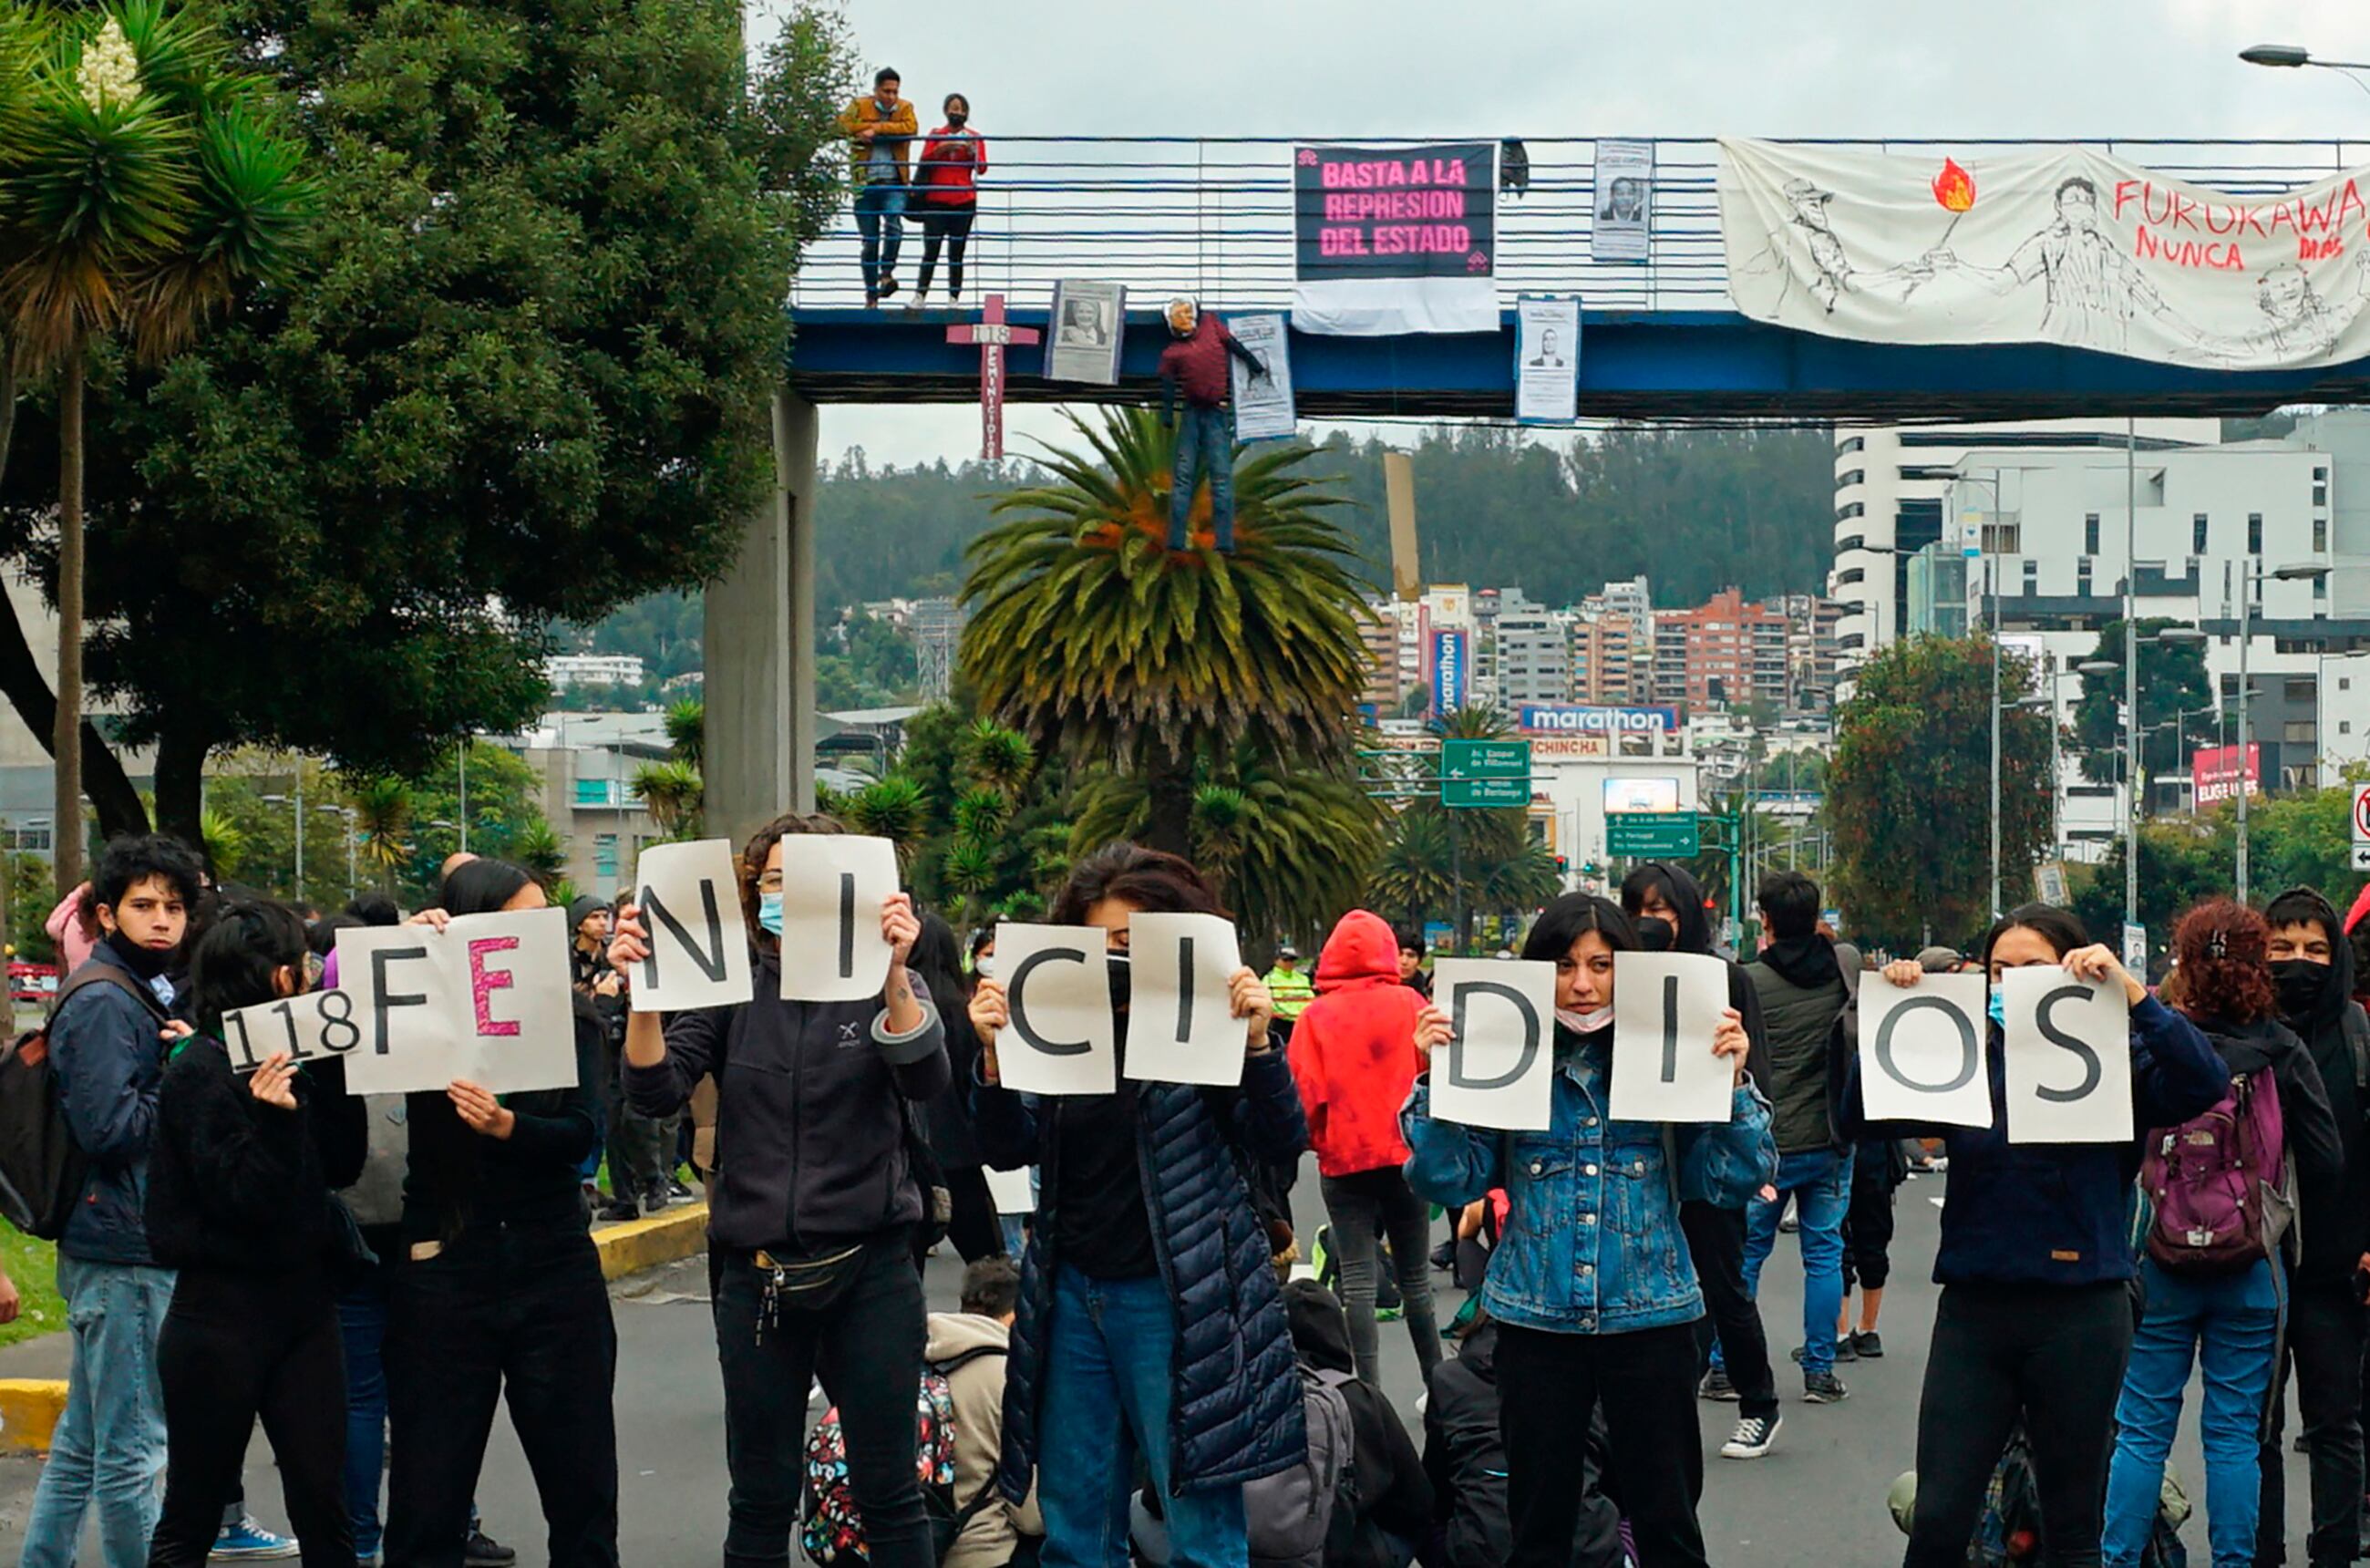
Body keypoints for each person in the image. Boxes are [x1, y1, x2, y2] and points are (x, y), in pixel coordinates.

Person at [1854, 903, 2231, 1568]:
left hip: (2081, 1311)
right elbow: (1861, 1116)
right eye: (1999, 971)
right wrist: (1893, 1012)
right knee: (1939, 1518)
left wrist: (2134, 995)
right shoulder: (1968, 1055)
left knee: (2073, 1525)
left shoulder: (2115, 1058)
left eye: (2032, 968)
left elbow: (2203, 1082)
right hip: (1975, 1308)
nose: (2012, 984)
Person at [616, 810, 946, 1568]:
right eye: (771, 882)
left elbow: (926, 1076)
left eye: (807, 883)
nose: (786, 897)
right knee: (760, 1495)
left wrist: (893, 972)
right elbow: (655, 1091)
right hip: (756, 1275)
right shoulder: (729, 988)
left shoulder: (886, 981)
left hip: (872, 1270)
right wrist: (644, 997)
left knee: (890, 1491)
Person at [1405, 892, 1774, 1568]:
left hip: (1653, 1316)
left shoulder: (1671, 1053)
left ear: (1628, 972)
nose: (1582, 984)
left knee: (1668, 1527)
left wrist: (1733, 1084)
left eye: (1602, 966)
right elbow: (1448, 1180)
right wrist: (1435, 1083)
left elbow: (1731, 1180)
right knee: (1539, 1530)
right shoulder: (1506, 1057)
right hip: (1535, 1321)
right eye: (1564, 965)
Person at [967, 842, 1305, 1568]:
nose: (1117, 959)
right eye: (1101, 943)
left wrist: (1258, 1047)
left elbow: (1280, 1139)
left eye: (1131, 941)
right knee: (1075, 1531)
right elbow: (1006, 1147)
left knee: (1202, 1534)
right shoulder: (1055, 1021)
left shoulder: (1207, 1020)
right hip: (1070, 1293)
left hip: (1182, 1301)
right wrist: (992, 1060)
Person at [381, 859, 618, 1568]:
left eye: (545, 919)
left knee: (581, 1488)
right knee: (429, 1493)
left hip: (554, 1261)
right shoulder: (420, 1007)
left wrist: (509, 1127)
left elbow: (582, 1134)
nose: (536, 935)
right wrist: (407, 947)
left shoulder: (571, 1015)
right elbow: (348, 1040)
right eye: (519, 920)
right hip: (445, 1259)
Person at [2103, 899, 2341, 1568]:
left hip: (2159, 1258)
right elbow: (2326, 1159)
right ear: (2259, 964)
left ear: (2182, 961)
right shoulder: (2280, 1048)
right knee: (2236, 1435)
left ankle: (2119, 1558)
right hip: (2251, 1265)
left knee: (2141, 1430)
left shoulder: (2153, 1040)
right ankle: (2236, 1560)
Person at [143, 897, 368, 1567]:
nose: (310, 975)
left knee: (324, 1504)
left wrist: (334, 1071)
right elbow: (244, 1200)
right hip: (218, 1318)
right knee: (193, 1510)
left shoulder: (303, 1057)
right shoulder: (199, 1071)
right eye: (301, 963)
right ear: (275, 977)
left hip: (304, 1311)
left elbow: (342, 1165)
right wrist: (275, 1120)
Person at [18, 835, 203, 1568]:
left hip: (116, 1241)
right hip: (124, 1248)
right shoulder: (103, 999)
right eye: (143, 905)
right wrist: (183, 1076)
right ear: (105, 913)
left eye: (174, 907)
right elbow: (110, 1128)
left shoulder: (138, 986)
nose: (161, 920)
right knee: (133, 1454)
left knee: (84, 1446)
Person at [1621, 862, 1781, 1458]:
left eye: (1660, 910)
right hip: (1639, 1156)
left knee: (1722, 1285)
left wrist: (1756, 1153)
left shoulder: (1722, 977)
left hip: (1708, 1153)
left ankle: (1759, 1404)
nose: (1648, 921)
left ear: (1686, 914)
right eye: (1636, 910)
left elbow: (1754, 1066)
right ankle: (1666, 1405)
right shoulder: (1616, 977)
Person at [2255, 886, 2370, 1568]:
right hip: (2253, 1265)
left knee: (2335, 1423)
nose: (2298, 961)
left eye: (2315, 949)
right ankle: (2259, 1551)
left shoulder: (2359, 1037)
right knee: (2256, 1429)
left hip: (2337, 1268)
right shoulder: (2241, 1029)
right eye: (2282, 947)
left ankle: (2335, 1550)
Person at [1288, 909, 1443, 1387]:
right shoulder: (1411, 1002)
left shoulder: (1314, 1016)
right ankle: (1439, 1387)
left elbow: (1303, 1096)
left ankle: (1369, 1394)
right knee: (1416, 1283)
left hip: (1344, 1161)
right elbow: (1431, 1075)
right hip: (1406, 1158)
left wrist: (1322, 1142)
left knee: (1356, 1282)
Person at [1736, 869, 1859, 1404]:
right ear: (1816, 917)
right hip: (1830, 1141)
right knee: (1825, 1254)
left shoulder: (1748, 982)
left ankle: (1725, 1367)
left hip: (1762, 1145)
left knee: (1746, 1258)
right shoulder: (1844, 973)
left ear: (1765, 920)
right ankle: (1819, 1370)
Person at [1421, 1307, 1623, 1568]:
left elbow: (1435, 1489)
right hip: (1585, 1547)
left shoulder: (1450, 1378)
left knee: (1428, 1520)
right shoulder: (1590, 1371)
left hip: (1481, 1547)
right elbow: (1620, 1483)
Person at [1281, 1280, 1432, 1568]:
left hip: (1269, 1550)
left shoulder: (1258, 1394)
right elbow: (1416, 1499)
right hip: (1352, 1551)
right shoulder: (1361, 1398)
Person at [930, 1257, 1042, 1568]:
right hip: (979, 1551)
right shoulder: (1007, 1376)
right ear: (1016, 1317)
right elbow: (1030, 1515)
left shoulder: (910, 1357)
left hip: (902, 1544)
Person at [912, 910, 1004, 1263]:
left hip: (910, 1154)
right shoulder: (966, 1012)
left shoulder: (900, 1010)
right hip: (960, 1152)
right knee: (989, 1260)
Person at [1157, 297, 1267, 553]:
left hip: (1210, 412)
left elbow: (1233, 345)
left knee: (1210, 476)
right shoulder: (1176, 350)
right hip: (1199, 411)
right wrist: (1167, 412)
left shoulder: (1207, 326)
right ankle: (1180, 540)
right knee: (1200, 477)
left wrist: (1252, 362)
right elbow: (1168, 386)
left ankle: (1222, 541)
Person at [839, 67, 918, 306]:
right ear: (876, 90)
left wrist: (877, 129)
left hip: (894, 182)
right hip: (865, 184)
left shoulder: (905, 108)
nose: (891, 96)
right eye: (886, 91)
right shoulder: (859, 105)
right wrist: (861, 133)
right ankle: (871, 293)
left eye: (895, 92)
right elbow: (841, 126)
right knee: (870, 241)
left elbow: (910, 128)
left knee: (894, 223)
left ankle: (886, 273)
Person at [912, 94, 985, 305]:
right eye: (953, 108)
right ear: (946, 111)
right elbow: (924, 160)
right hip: (936, 199)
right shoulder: (936, 134)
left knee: (957, 251)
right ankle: (920, 296)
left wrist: (972, 152)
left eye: (961, 109)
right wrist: (942, 148)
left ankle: (954, 298)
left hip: (964, 200)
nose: (957, 113)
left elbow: (982, 168)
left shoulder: (974, 136)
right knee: (931, 249)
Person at [44, 882, 99, 975]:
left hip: (75, 980)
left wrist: (79, 892)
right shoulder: (110, 925)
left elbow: (50, 926)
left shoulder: (70, 920)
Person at [1263, 944, 1314, 1036]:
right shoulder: (1269, 980)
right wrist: (1295, 1015)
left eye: (1292, 960)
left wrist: (1303, 1016)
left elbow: (1310, 999)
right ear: (1276, 961)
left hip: (1303, 1023)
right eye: (1285, 960)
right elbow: (1275, 1005)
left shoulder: (1302, 978)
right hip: (1282, 1024)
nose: (1289, 963)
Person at [1393, 925, 1431, 1000]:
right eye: (1399, 954)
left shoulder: (1427, 993)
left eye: (1411, 956)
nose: (1404, 961)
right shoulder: (1377, 989)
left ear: (1420, 960)